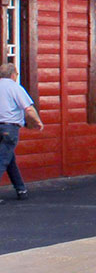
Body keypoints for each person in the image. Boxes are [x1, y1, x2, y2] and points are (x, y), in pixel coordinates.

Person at [0, 61, 42, 201]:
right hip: (10, 127)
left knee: (9, 159)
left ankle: (21, 189)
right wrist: (38, 121)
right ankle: (20, 189)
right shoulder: (15, 88)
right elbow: (28, 108)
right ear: (13, 75)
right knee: (2, 160)